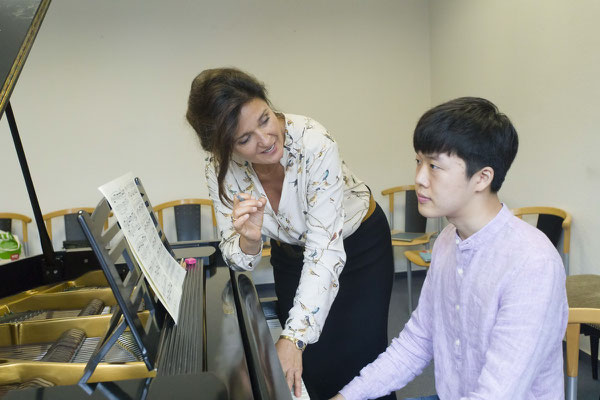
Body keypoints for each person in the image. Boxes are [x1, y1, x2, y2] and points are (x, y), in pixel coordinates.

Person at [332, 97, 569, 400]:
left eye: (434, 166)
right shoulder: (447, 240)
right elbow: (416, 343)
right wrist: (346, 397)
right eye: (418, 161)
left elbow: (497, 393)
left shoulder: (532, 262)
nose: (419, 178)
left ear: (482, 177)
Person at [186, 68, 395, 400]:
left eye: (265, 119)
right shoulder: (220, 170)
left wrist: (294, 336)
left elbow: (324, 249)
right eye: (244, 139)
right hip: (290, 255)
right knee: (309, 367)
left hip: (357, 247)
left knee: (361, 364)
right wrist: (250, 239)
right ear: (224, 148)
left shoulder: (314, 141)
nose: (266, 139)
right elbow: (236, 257)